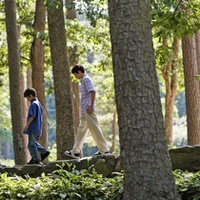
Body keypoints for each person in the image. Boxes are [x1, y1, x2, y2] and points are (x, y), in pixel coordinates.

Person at [65, 64, 110, 158]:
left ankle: (104, 150)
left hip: (89, 109)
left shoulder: (86, 79)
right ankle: (76, 151)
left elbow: (92, 92)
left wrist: (91, 106)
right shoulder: (83, 81)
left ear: (79, 72)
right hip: (85, 109)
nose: (75, 77)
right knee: (81, 130)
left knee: (95, 129)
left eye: (75, 74)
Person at [23, 88, 50, 164]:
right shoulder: (38, 103)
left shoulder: (34, 104)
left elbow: (32, 116)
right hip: (38, 128)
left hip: (33, 128)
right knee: (33, 143)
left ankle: (35, 159)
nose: (27, 99)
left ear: (31, 95)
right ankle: (44, 152)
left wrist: (27, 125)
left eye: (27, 97)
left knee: (31, 145)